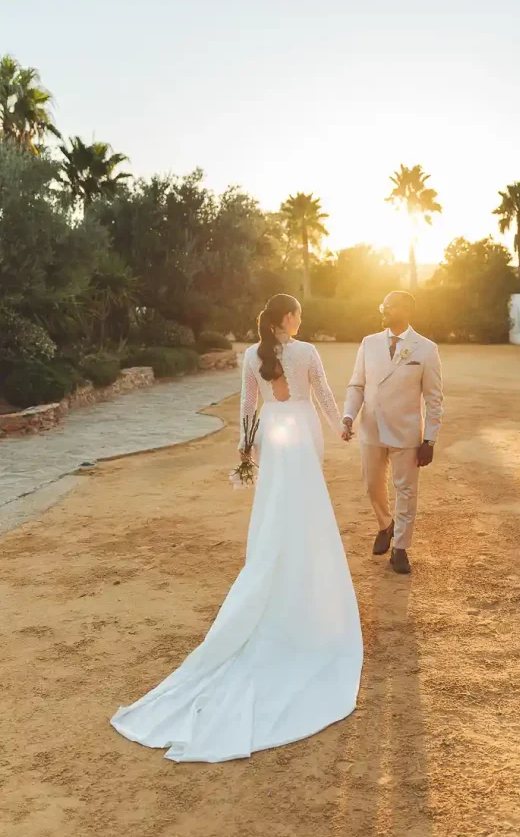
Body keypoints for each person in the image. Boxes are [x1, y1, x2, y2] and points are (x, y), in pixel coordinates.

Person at [111, 294, 362, 762]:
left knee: (275, 510)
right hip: (301, 432)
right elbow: (324, 395)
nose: (301, 319)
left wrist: (244, 449)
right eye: (299, 313)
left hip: (272, 433)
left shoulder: (251, 354)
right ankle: (302, 574)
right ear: (289, 318)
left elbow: (248, 405)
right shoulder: (306, 352)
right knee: (305, 506)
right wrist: (341, 426)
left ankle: (277, 564)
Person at [342, 291, 443, 575]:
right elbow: (357, 385)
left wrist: (430, 439)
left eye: (390, 306)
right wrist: (349, 416)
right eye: (382, 305)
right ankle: (386, 524)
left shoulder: (425, 349)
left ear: (406, 311)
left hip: (407, 433)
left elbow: (434, 399)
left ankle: (400, 548)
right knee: (372, 484)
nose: (383, 310)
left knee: (407, 490)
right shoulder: (369, 343)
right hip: (371, 428)